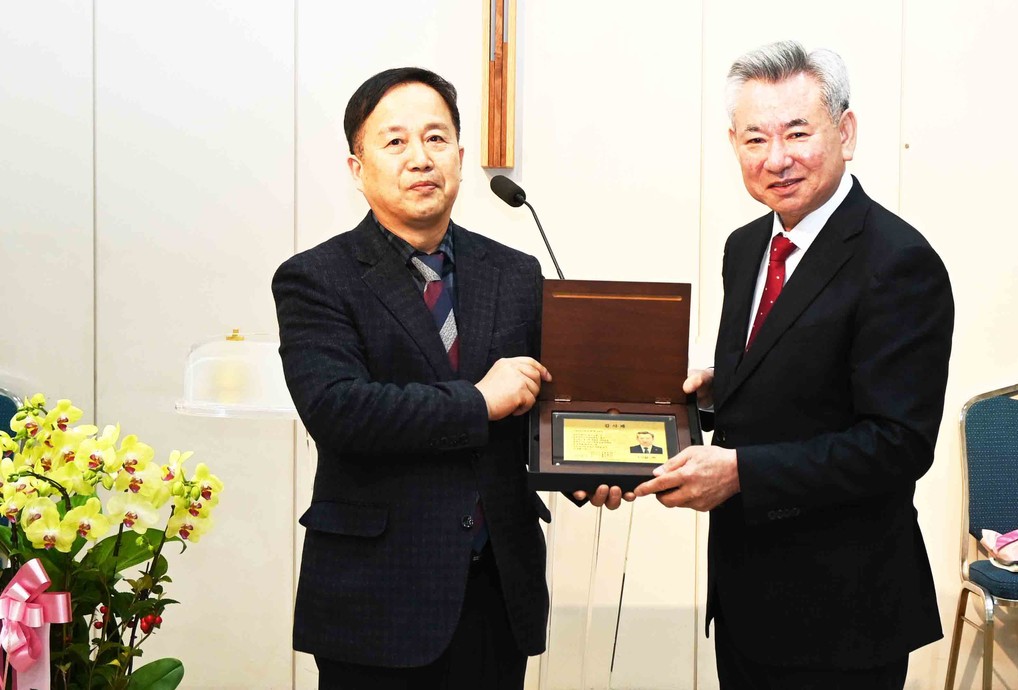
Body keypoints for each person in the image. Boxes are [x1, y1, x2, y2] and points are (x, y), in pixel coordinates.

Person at [273, 67, 622, 690]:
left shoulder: (514, 272)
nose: (420, 159)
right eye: (395, 142)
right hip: (378, 600)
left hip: (495, 590)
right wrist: (478, 402)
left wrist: (590, 468)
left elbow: (544, 406)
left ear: (461, 157)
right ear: (358, 168)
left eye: (436, 139)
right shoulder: (316, 278)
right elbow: (340, 410)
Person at [635, 41, 954, 690]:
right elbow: (795, 385)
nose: (776, 158)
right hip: (746, 596)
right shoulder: (747, 247)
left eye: (798, 133)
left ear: (847, 131)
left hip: (843, 609)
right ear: (734, 145)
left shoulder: (897, 260)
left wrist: (741, 472)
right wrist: (712, 400)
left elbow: (897, 444)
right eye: (755, 138)